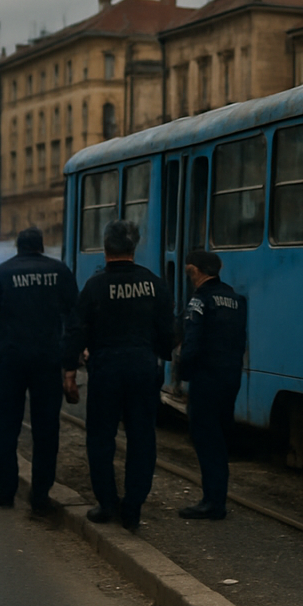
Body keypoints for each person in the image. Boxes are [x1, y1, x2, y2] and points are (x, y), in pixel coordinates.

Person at [62, 220, 175, 530]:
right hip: (141, 368)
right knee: (142, 438)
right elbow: (168, 334)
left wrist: (69, 371)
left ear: (105, 248)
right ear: (134, 249)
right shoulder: (154, 284)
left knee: (101, 439)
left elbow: (76, 331)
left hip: (106, 369)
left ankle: (107, 504)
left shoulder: (95, 286)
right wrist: (158, 354)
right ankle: (133, 508)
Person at [0, 227, 78, 513]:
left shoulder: (1, 272)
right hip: (48, 360)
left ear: (18, 247)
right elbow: (75, 317)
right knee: (47, 428)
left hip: (11, 360)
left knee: (7, 424)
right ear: (41, 246)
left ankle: (4, 489)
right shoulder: (60, 272)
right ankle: (40, 495)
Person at [178, 249, 248, 521]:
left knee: (206, 439)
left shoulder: (200, 300)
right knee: (220, 437)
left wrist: (185, 370)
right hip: (230, 377)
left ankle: (212, 502)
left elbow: (192, 340)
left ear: (195, 271)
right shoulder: (236, 298)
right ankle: (216, 498)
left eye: (188, 271)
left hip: (206, 379)